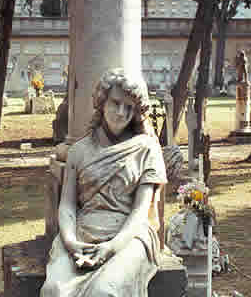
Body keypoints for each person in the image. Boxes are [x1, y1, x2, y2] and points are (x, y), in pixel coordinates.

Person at [40, 69, 167, 297]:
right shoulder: (79, 151)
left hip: (129, 236)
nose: (121, 112)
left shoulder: (147, 149)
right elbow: (67, 205)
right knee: (53, 290)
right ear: (102, 102)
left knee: (104, 292)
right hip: (82, 233)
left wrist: (112, 247)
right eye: (116, 103)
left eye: (129, 107)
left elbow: (140, 212)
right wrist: (69, 241)